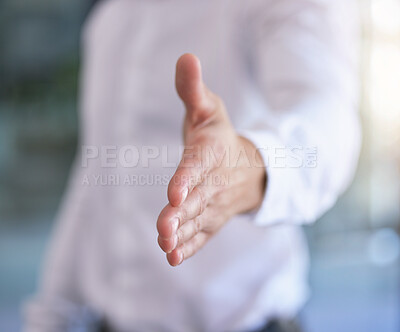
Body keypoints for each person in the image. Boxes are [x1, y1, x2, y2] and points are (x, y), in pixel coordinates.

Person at [24, 0, 361, 331]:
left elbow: (329, 126)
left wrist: (244, 168)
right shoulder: (109, 18)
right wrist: (50, 316)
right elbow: (95, 179)